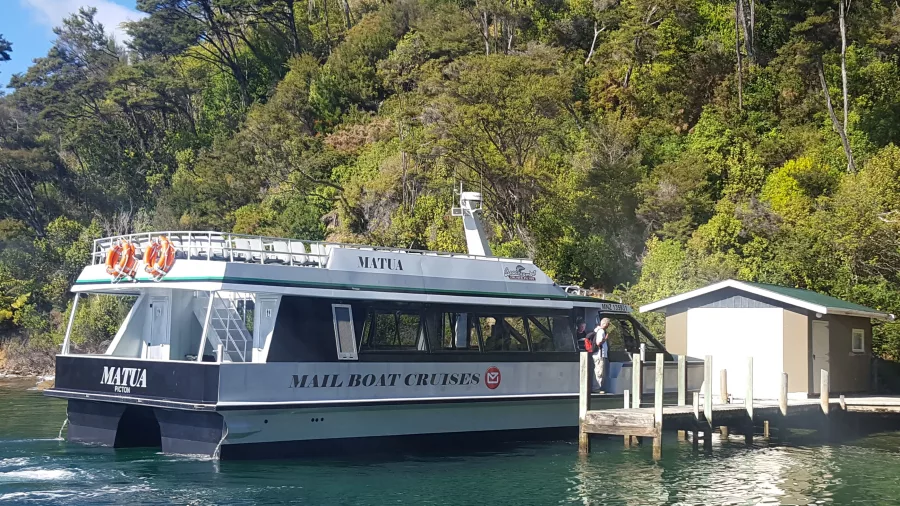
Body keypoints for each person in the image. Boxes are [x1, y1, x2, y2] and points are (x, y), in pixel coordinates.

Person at [590, 318, 611, 393]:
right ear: (605, 324)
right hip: (599, 355)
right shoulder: (601, 331)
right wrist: (605, 339)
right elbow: (598, 343)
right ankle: (596, 388)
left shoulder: (597, 330)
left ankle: (596, 387)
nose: (608, 326)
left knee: (598, 371)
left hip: (598, 354)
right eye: (608, 324)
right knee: (599, 371)